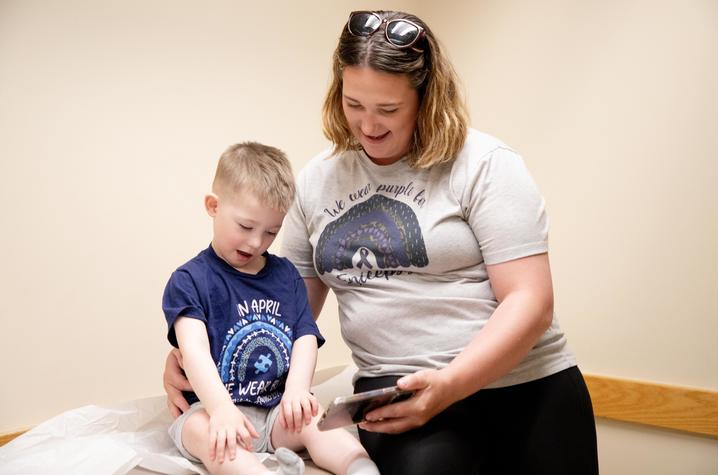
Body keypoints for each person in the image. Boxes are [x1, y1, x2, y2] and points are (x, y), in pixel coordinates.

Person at [165, 11, 599, 475]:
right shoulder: (316, 182)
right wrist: (194, 358)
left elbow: (531, 301)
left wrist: (450, 384)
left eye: (388, 110)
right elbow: (278, 307)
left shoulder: (486, 165)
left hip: (523, 387)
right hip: (397, 396)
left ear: (426, 99)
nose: (368, 125)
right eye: (354, 104)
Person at [161, 142, 380, 475]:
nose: (255, 243)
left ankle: (360, 468)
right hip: (211, 409)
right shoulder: (190, 280)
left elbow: (304, 336)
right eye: (246, 227)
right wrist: (221, 410)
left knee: (313, 419)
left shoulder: (285, 275)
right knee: (203, 433)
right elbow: (194, 353)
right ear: (213, 206)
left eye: (271, 232)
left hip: (274, 409)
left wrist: (295, 391)